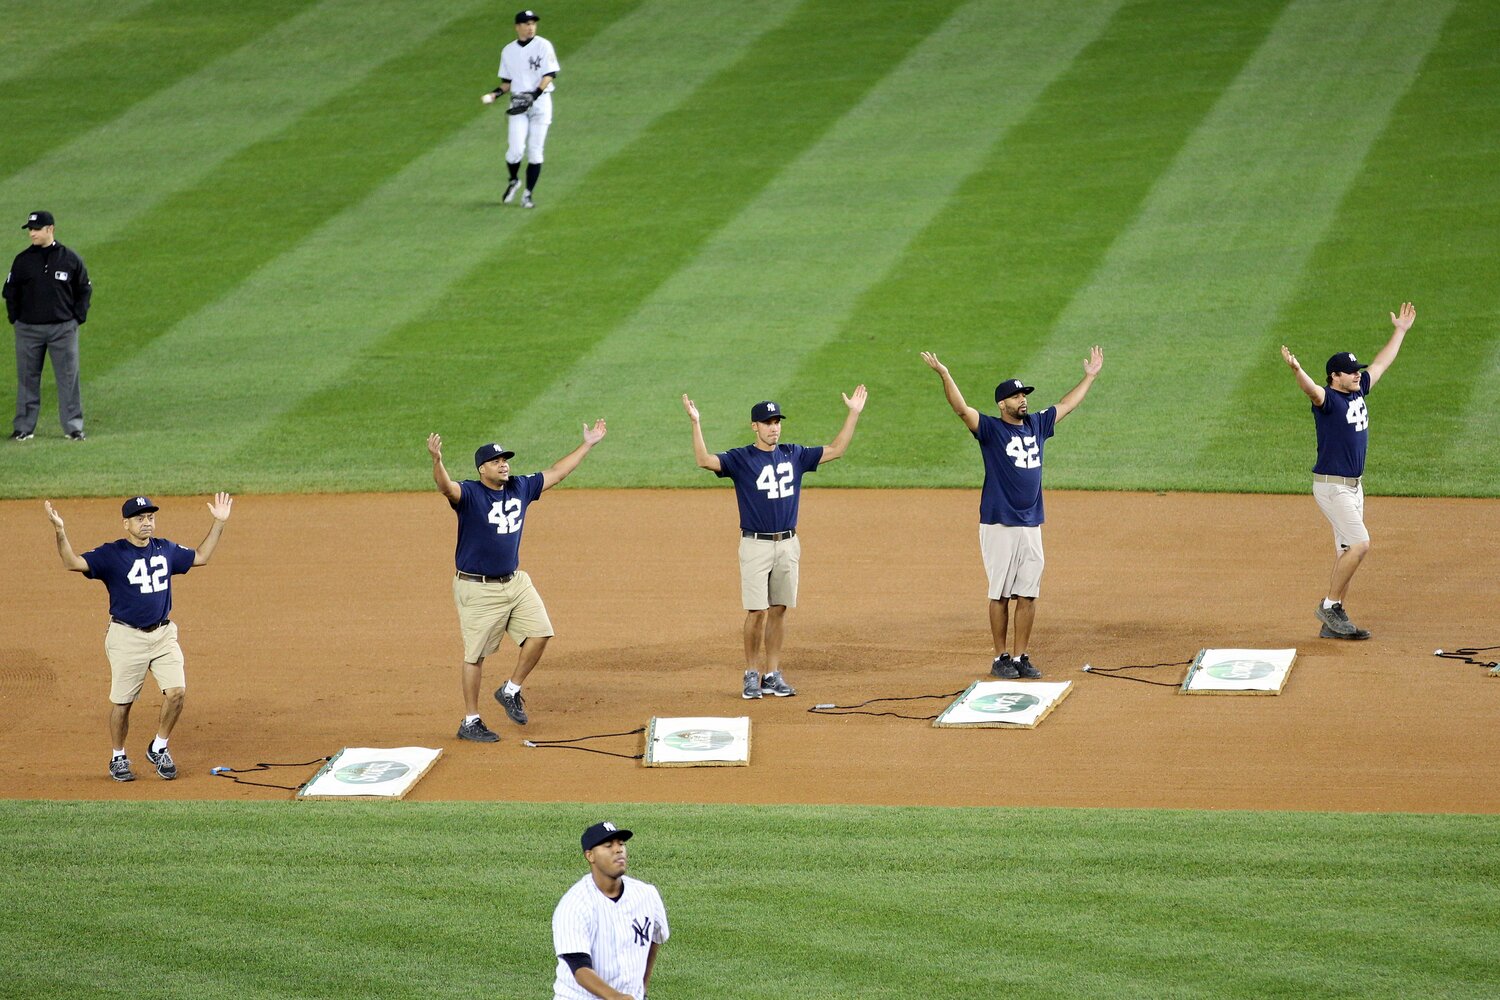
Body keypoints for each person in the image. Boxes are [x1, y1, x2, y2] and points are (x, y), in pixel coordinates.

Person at [921, 348, 1103, 679]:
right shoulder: (990, 430)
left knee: (1029, 593)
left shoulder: (1036, 424)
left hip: (1031, 522)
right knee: (1001, 594)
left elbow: (1066, 405)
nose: (1023, 400)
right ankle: (1000, 657)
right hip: (999, 523)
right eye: (1016, 396)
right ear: (1002, 404)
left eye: (1024, 394)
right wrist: (946, 375)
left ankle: (1021, 657)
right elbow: (961, 409)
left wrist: (1089, 376)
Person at [682, 387, 867, 699]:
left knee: (779, 609)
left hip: (788, 544)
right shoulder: (741, 458)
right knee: (757, 611)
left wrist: (854, 413)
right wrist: (696, 422)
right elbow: (703, 460)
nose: (774, 427)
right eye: (767, 422)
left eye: (777, 421)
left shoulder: (794, 454)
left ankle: (772, 674)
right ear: (755, 426)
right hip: (755, 545)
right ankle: (751, 674)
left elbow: (836, 450)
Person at [427, 422, 605, 742]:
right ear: (482, 469)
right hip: (477, 587)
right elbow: (446, 487)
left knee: (540, 633)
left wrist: (588, 444)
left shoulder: (520, 487)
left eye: (505, 459)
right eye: (496, 461)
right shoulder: (469, 493)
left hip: (515, 582)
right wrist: (437, 461)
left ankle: (510, 690)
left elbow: (557, 472)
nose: (504, 463)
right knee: (475, 656)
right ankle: (470, 721)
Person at [44, 493, 233, 781]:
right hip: (126, 637)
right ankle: (118, 756)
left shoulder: (165, 549)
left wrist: (218, 523)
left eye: (150, 518)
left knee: (177, 693)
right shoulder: (112, 554)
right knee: (123, 703)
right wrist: (60, 531)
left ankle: (159, 747)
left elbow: (201, 556)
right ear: (126, 523)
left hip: (163, 634)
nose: (146, 523)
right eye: (140, 519)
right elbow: (72, 562)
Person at [1280, 302, 1415, 640]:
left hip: (1354, 487)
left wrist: (1399, 331)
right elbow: (1311, 390)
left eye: (1358, 370)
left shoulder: (1359, 390)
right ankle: (1329, 605)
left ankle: (1334, 621)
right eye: (1350, 371)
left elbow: (1382, 363)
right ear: (1334, 376)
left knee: (1346, 552)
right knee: (1360, 544)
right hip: (1332, 487)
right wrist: (1297, 369)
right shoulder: (1328, 401)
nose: (1358, 374)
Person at [552, 821, 669, 1000]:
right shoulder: (574, 904)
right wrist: (615, 997)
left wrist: (642, 990)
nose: (618, 850)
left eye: (621, 844)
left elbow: (655, 939)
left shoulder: (647, 895)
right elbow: (579, 968)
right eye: (608, 845)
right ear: (590, 856)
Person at [6, 211, 92, 441]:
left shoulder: (70, 258)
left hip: (62, 330)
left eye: (36, 228)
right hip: (28, 330)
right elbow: (10, 290)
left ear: (50, 229)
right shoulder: (22, 260)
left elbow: (84, 289)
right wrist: (16, 318)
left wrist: (76, 318)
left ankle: (73, 427)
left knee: (67, 378)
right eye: (30, 229)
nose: (32, 233)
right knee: (27, 378)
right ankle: (24, 427)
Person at [481, 9, 560, 209]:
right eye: (526, 23)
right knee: (515, 151)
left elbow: (549, 74)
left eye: (533, 23)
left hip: (541, 104)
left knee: (535, 152)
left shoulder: (543, 45)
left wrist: (535, 94)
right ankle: (514, 180)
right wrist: (494, 94)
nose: (531, 26)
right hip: (517, 104)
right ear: (518, 27)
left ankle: (528, 195)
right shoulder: (508, 51)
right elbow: (507, 82)